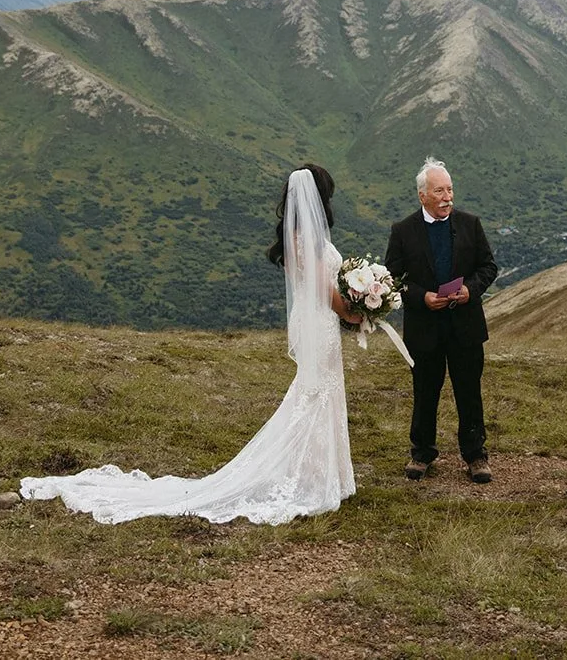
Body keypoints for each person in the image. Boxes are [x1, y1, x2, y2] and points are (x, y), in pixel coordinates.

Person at [21, 164, 359, 524]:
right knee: (315, 394)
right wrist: (353, 312)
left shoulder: (295, 237)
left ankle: (317, 472)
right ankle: (313, 477)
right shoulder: (307, 238)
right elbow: (325, 290)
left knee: (315, 393)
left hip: (311, 323)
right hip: (319, 323)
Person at [385, 157, 499, 483]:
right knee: (425, 392)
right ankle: (421, 453)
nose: (447, 197)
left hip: (465, 326)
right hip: (425, 328)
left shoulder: (470, 224)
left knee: (469, 392)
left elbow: (488, 267)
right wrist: (421, 297)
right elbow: (392, 278)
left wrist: (469, 290)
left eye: (450, 189)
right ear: (423, 196)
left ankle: (476, 456)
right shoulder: (403, 231)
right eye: (439, 191)